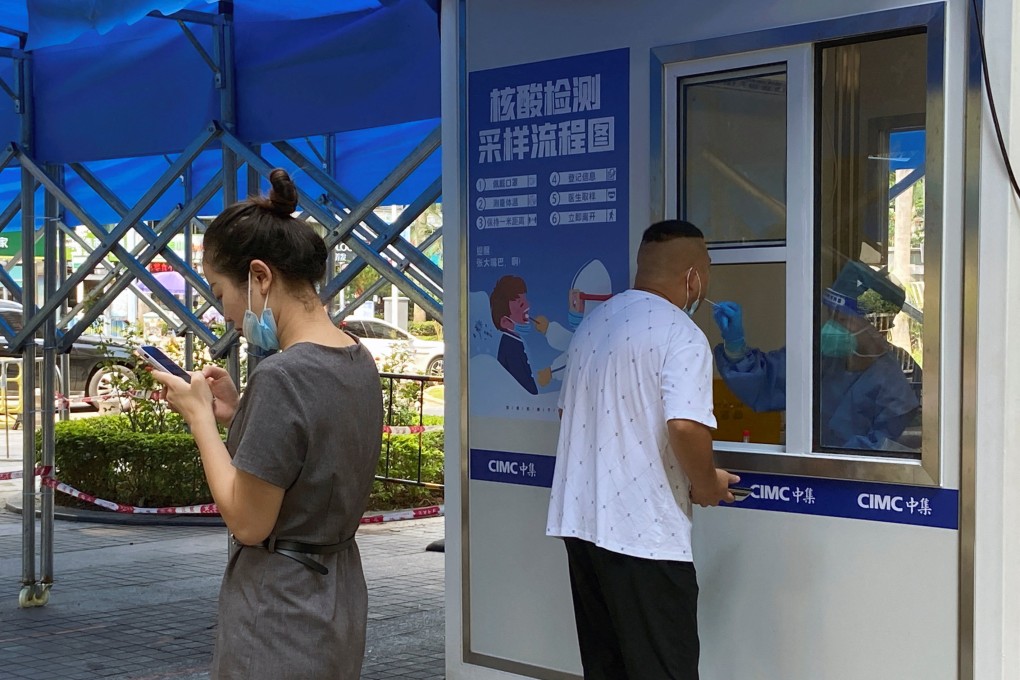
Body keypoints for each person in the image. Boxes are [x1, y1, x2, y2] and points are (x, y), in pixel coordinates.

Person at [150, 169, 383, 680]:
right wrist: (241, 415)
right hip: (339, 597)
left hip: (280, 610)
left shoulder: (281, 375)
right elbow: (311, 456)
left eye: (220, 292)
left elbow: (248, 521)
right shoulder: (357, 358)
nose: (226, 313)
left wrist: (200, 420)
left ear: (259, 277)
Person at [546, 219, 739, 680]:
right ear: (693, 276)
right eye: (707, 268)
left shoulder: (595, 324)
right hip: (644, 534)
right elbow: (685, 425)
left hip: (584, 526)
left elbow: (567, 412)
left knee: (607, 665)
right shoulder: (681, 334)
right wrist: (706, 484)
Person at [712, 261, 920, 451]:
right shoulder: (821, 359)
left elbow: (885, 452)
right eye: (831, 315)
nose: (831, 326)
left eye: (842, 319)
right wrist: (735, 347)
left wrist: (826, 461)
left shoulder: (897, 385)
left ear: (874, 324)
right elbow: (766, 382)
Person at [490, 274, 540, 393]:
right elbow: (524, 386)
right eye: (521, 304)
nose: (528, 306)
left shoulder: (515, 342)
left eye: (525, 301)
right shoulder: (510, 346)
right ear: (505, 322)